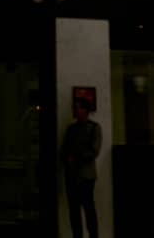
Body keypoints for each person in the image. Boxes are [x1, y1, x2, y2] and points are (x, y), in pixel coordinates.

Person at [62, 98, 103, 238]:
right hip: (72, 174)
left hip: (86, 175)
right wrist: (68, 158)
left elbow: (94, 151)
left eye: (79, 108)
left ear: (86, 110)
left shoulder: (94, 127)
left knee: (88, 208)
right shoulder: (71, 129)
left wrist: (76, 156)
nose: (76, 110)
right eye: (75, 108)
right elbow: (64, 149)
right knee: (74, 210)